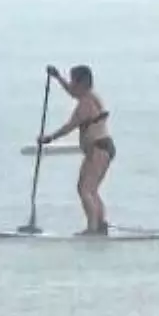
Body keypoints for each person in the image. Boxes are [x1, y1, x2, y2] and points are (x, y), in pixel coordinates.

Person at [38, 65, 114, 235]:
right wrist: (58, 77)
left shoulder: (85, 105)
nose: (71, 85)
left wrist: (48, 138)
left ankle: (93, 229)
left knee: (86, 189)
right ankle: (100, 225)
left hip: (99, 148)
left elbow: (69, 127)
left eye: (73, 81)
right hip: (102, 148)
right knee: (89, 189)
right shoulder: (90, 96)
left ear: (83, 83)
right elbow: (72, 93)